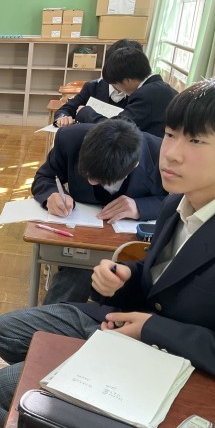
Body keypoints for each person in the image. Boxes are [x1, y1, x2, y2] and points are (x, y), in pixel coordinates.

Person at [0, 77, 215, 428]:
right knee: (9, 331)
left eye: (196, 141)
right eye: (171, 134)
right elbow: (163, 281)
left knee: (5, 388)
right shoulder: (179, 201)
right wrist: (125, 277)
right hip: (134, 328)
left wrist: (152, 329)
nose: (171, 153)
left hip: (181, 358)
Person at [32, 120, 167, 304]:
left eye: (102, 180)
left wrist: (140, 207)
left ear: (134, 165)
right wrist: (52, 195)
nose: (91, 183)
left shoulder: (160, 154)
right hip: (82, 242)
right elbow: (45, 176)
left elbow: (182, 198)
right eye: (87, 175)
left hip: (133, 251)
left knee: (129, 299)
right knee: (72, 282)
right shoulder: (71, 139)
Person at [76, 47, 177, 138]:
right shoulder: (160, 88)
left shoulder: (146, 95)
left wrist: (86, 112)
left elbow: (116, 129)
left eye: (115, 84)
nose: (116, 88)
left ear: (127, 80)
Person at [54, 39, 143, 128]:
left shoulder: (141, 95)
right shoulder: (93, 87)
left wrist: (87, 114)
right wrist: (63, 117)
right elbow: (67, 109)